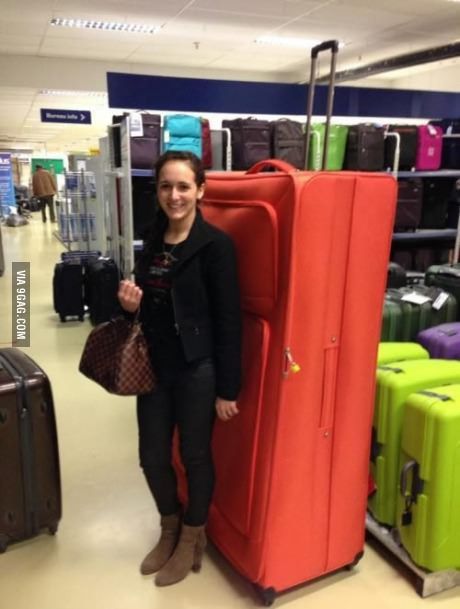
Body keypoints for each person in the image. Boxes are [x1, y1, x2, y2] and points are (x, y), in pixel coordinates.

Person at [117, 151, 242, 587]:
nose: (175, 195)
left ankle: (192, 537)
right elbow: (147, 304)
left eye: (184, 186)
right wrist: (130, 306)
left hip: (198, 369)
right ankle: (169, 528)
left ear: (201, 190)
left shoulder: (216, 247)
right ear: (158, 191)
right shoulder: (152, 238)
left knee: (194, 454)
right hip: (154, 366)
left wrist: (228, 388)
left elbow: (229, 320)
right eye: (166, 186)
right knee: (151, 455)